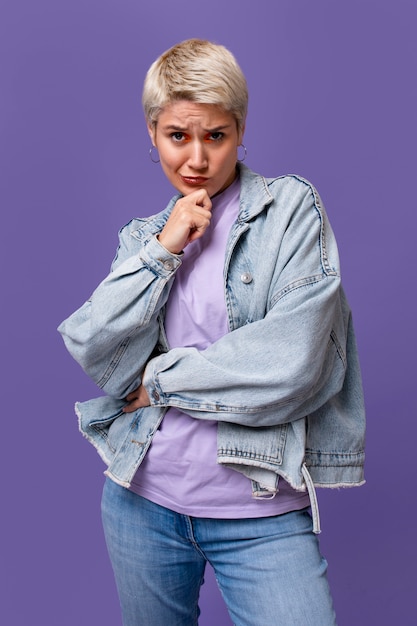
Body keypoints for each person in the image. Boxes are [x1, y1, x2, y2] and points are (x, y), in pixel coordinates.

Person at [58, 38, 365, 626]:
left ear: (240, 129)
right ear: (153, 134)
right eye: (178, 136)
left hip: (259, 510)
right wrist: (162, 251)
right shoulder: (142, 239)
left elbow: (293, 360)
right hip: (140, 502)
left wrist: (161, 381)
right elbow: (98, 353)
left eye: (216, 136)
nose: (197, 157)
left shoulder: (291, 212)